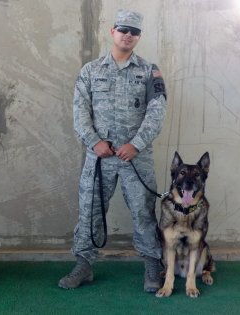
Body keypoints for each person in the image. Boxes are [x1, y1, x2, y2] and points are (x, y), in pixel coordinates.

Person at [58, 9, 167, 293]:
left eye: (134, 32)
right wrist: (94, 142)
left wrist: (136, 144)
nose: (128, 35)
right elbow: (80, 112)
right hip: (100, 157)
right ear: (112, 31)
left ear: (139, 36)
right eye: (123, 30)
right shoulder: (91, 71)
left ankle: (153, 266)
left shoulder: (149, 71)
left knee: (143, 212)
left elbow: (157, 112)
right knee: (89, 210)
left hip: (135, 157)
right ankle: (83, 265)